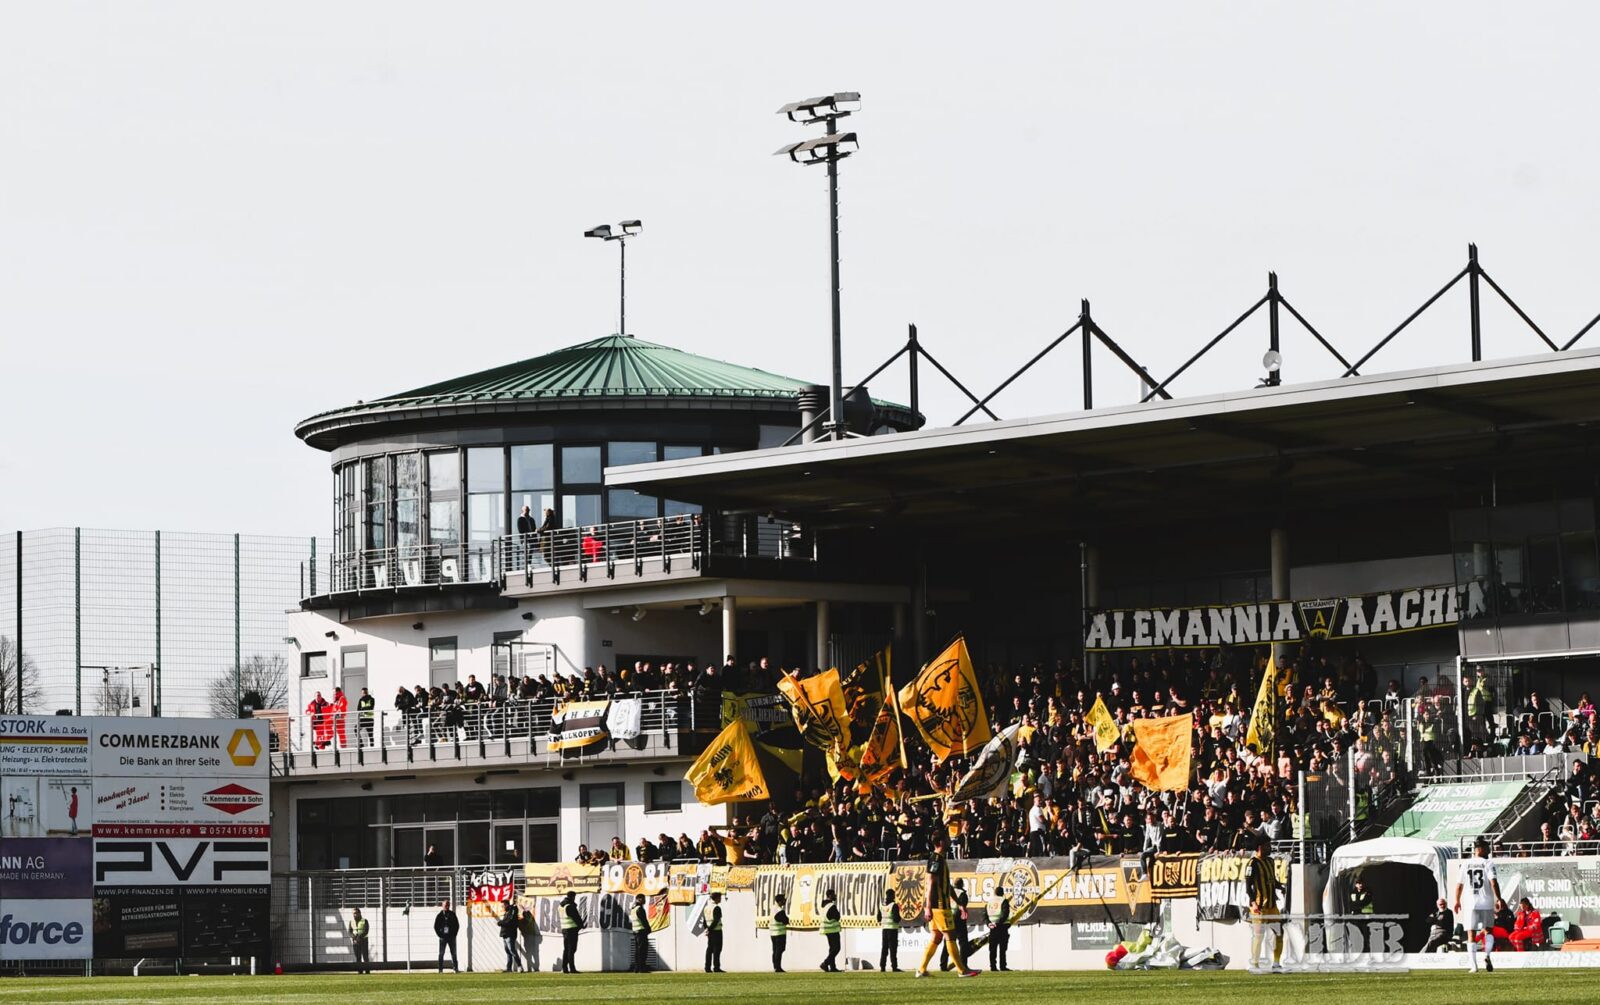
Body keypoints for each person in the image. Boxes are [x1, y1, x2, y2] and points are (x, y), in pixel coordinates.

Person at [917, 833, 978, 978]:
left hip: (941, 906)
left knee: (936, 938)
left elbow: (947, 885)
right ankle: (962, 970)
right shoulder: (936, 859)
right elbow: (930, 882)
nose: (950, 841)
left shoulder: (941, 859)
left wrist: (959, 904)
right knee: (950, 936)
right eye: (947, 839)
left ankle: (921, 969)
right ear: (940, 842)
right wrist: (928, 906)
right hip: (940, 906)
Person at [1454, 837, 1501, 973]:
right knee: (1489, 931)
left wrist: (1457, 901)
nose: (1488, 851)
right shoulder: (1488, 863)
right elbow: (1493, 882)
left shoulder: (1465, 863)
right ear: (1479, 849)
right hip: (1486, 903)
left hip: (1470, 904)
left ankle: (1473, 966)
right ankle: (1486, 955)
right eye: (1486, 848)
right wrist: (1499, 898)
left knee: (1471, 934)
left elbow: (1459, 885)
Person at [1247, 837, 1284, 972]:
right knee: (1259, 934)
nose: (1270, 848)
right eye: (1267, 846)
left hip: (1272, 905)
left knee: (1279, 933)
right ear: (1260, 847)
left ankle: (1276, 963)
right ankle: (1254, 964)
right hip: (1259, 906)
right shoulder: (1253, 863)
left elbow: (1272, 880)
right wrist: (1253, 903)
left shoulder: (1270, 861)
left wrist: (1281, 887)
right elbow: (1247, 886)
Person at [939, 878, 971, 972]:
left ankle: (943, 965)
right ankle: (963, 965)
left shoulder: (947, 893)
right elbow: (962, 906)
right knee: (963, 943)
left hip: (948, 918)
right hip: (959, 920)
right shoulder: (962, 894)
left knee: (948, 942)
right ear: (962, 884)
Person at [559, 890, 584, 973]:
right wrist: (581, 925)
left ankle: (564, 968)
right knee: (571, 949)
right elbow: (576, 917)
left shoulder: (561, 905)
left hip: (564, 929)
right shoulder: (570, 906)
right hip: (572, 929)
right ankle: (572, 968)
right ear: (573, 897)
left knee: (566, 949)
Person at [988, 890, 1012, 972]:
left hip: (992, 927)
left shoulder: (990, 901)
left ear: (994, 893)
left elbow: (985, 914)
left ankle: (993, 967)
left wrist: (988, 923)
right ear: (1002, 893)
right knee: (1002, 949)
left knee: (992, 949)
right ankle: (1003, 966)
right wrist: (999, 923)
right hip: (1002, 927)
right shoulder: (1003, 901)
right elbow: (1005, 913)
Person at [878, 889, 901, 973]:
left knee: (884, 949)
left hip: (884, 930)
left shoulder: (882, 906)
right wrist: (899, 918)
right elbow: (896, 919)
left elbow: (878, 918)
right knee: (893, 949)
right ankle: (894, 967)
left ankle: (882, 967)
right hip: (892, 930)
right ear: (892, 895)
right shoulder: (894, 905)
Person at [434, 899, 460, 972]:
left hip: (451, 937)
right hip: (443, 937)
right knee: (441, 953)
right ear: (442, 906)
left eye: (448, 905)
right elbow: (436, 926)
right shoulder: (439, 915)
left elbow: (457, 925)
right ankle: (440, 969)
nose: (447, 907)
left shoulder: (452, 914)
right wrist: (440, 935)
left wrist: (454, 934)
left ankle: (455, 968)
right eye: (445, 905)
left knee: (453, 953)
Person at [819, 888, 842, 972]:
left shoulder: (824, 905)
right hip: (832, 929)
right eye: (834, 894)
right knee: (837, 948)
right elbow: (837, 916)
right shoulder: (831, 906)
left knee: (832, 948)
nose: (835, 896)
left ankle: (832, 967)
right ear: (830, 895)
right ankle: (825, 963)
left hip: (826, 929)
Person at [629, 893, 652, 973]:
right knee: (642, 951)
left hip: (635, 932)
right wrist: (648, 929)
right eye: (643, 899)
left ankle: (637, 968)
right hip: (641, 932)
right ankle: (642, 968)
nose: (644, 900)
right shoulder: (640, 909)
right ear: (640, 899)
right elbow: (644, 920)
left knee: (637, 951)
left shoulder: (633, 908)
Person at [704, 891, 725, 973]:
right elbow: (716, 920)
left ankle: (707, 967)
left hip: (710, 931)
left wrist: (707, 929)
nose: (720, 899)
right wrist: (710, 929)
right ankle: (716, 967)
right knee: (717, 949)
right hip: (716, 931)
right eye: (720, 897)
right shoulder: (716, 908)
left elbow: (705, 920)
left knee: (709, 949)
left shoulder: (707, 907)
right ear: (716, 898)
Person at [498, 902, 523, 971]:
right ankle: (509, 968)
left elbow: (508, 922)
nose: (503, 907)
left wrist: (500, 922)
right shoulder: (507, 912)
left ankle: (519, 966)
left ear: (507, 905)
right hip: (505, 934)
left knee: (512, 950)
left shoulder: (512, 911)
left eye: (503, 906)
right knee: (508, 952)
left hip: (510, 934)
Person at [770, 891, 789, 973]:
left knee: (775, 951)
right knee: (779, 950)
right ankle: (778, 967)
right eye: (784, 900)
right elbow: (785, 920)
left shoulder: (773, 908)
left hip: (773, 933)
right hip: (779, 933)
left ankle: (775, 966)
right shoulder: (780, 910)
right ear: (780, 901)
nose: (785, 901)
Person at [349, 908, 370, 973]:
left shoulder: (365, 921)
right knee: (358, 956)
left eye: (355, 913)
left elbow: (366, 931)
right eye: (353, 913)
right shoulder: (351, 921)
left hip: (364, 940)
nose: (354, 915)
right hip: (355, 941)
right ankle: (360, 971)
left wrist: (359, 937)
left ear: (359, 913)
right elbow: (350, 931)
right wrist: (354, 938)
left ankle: (367, 971)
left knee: (365, 956)